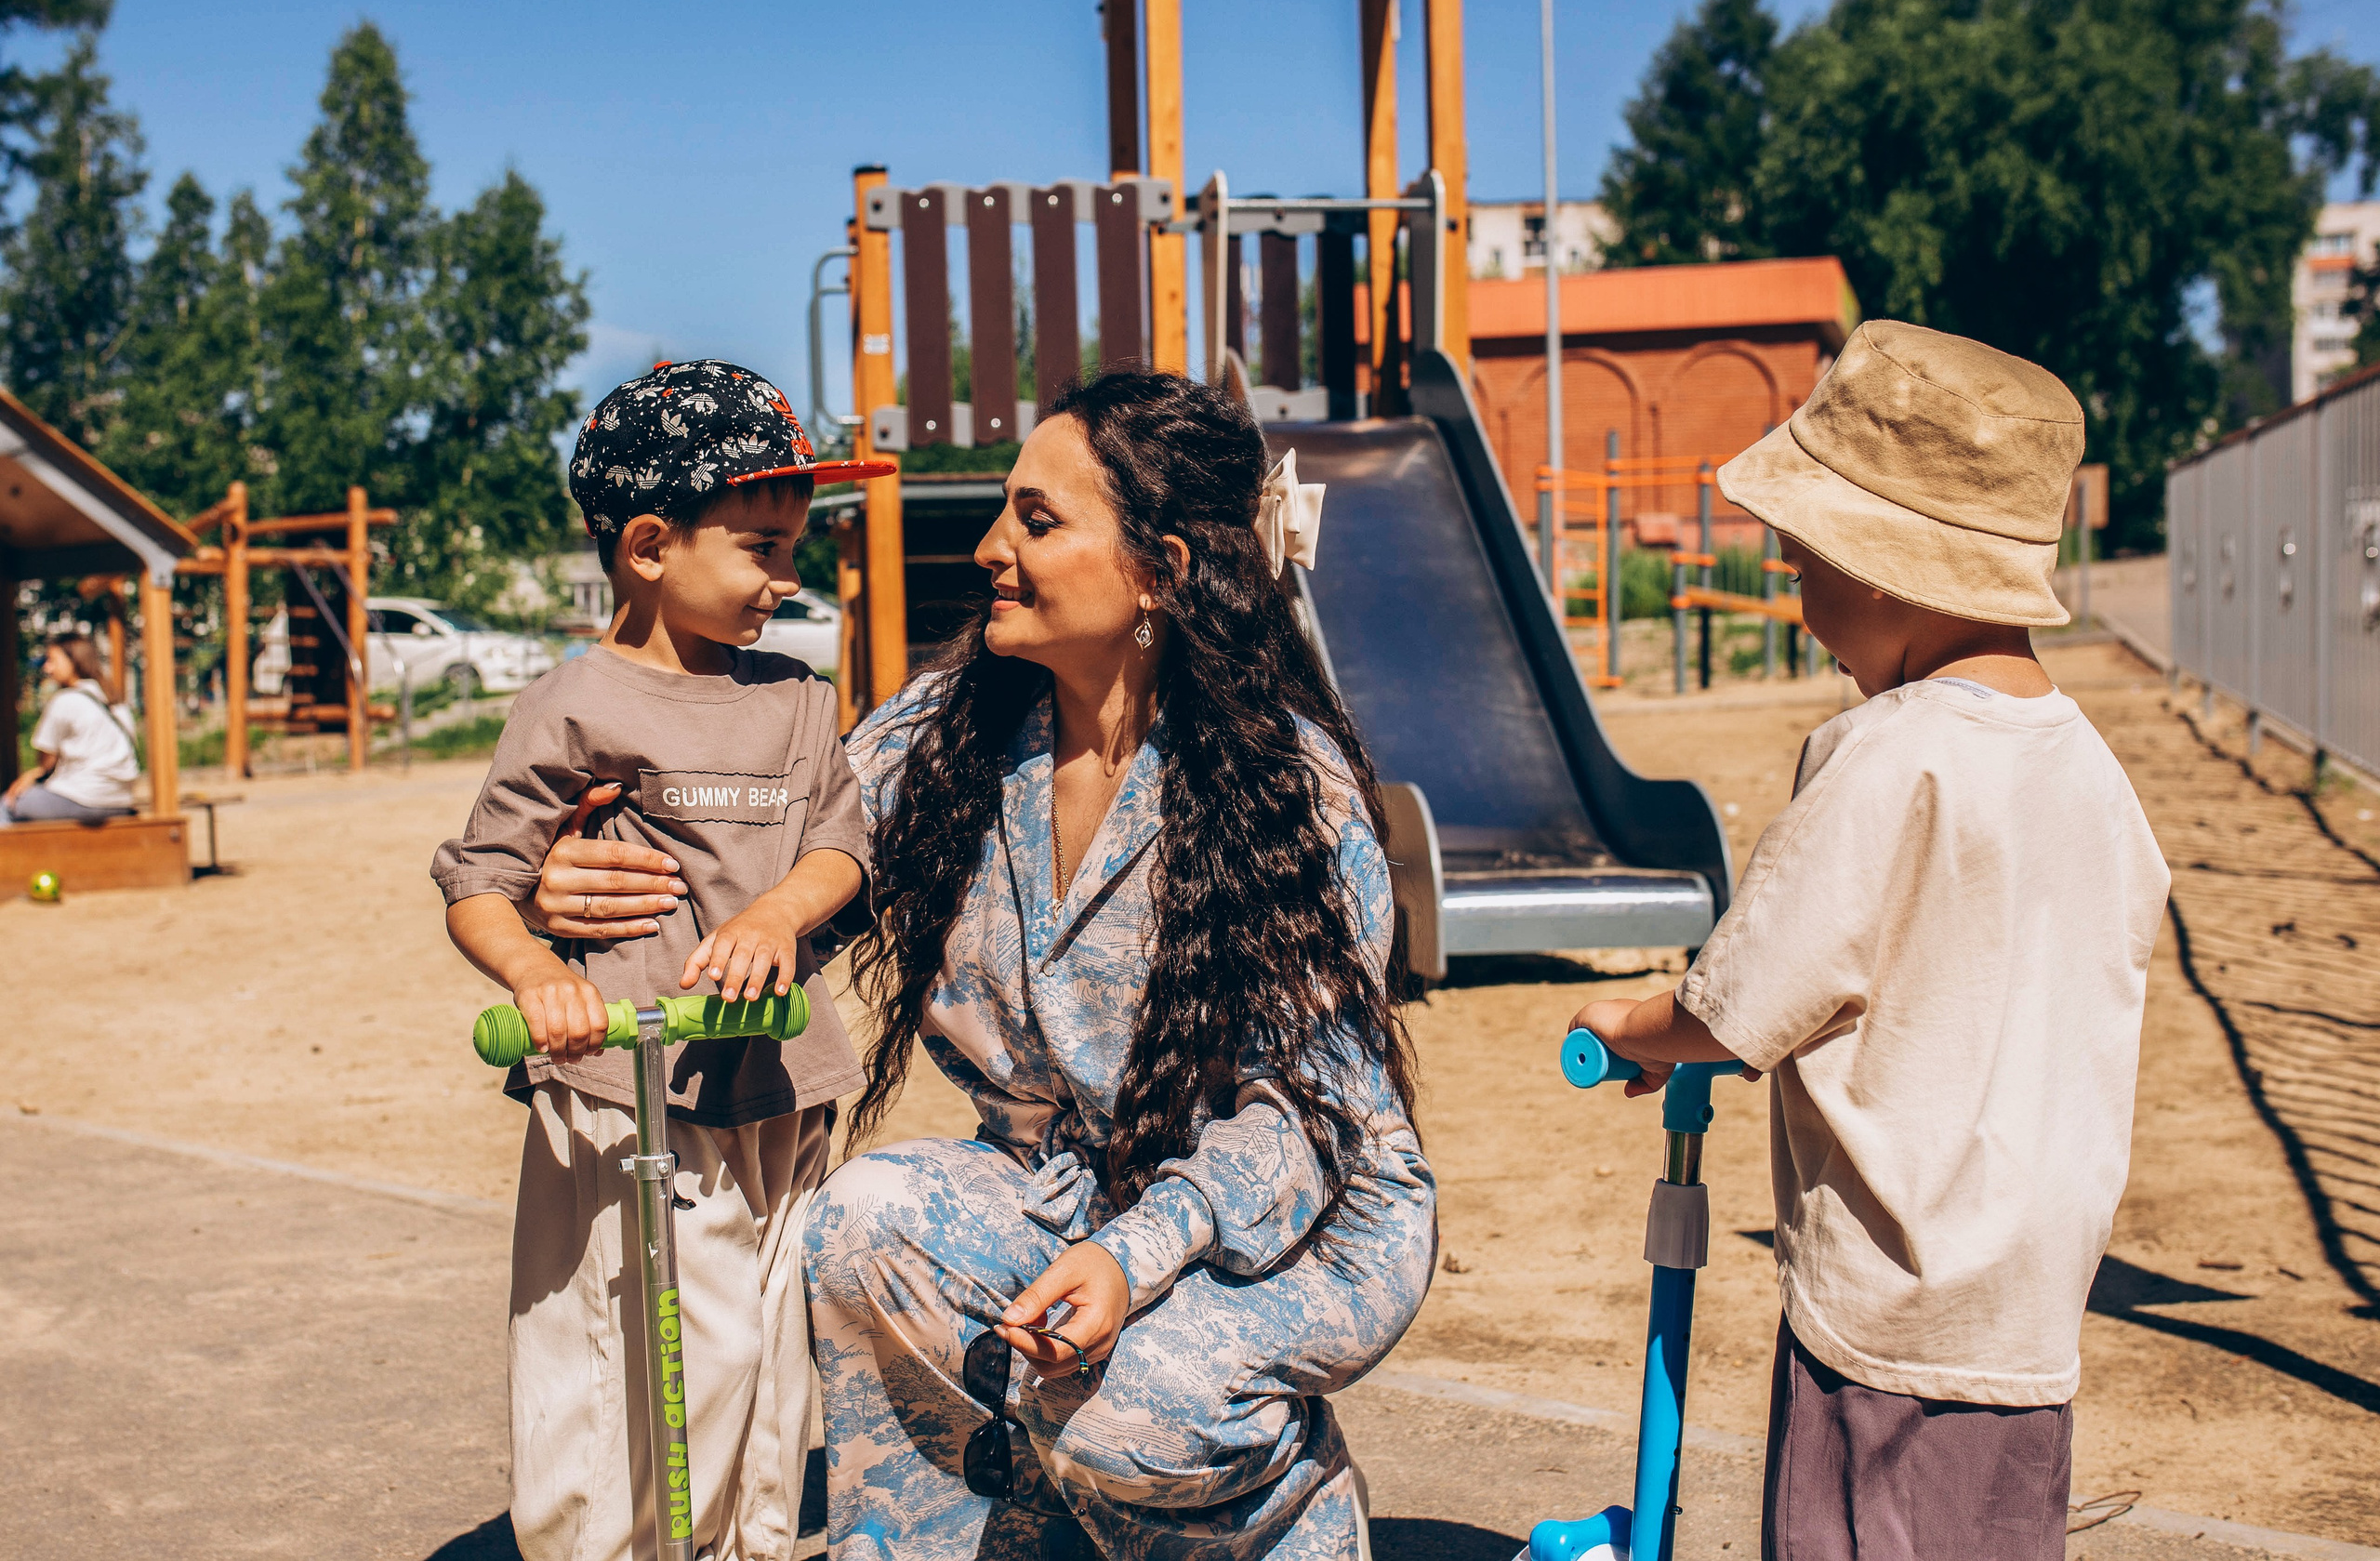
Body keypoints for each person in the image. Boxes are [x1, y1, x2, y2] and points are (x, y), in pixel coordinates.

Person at [528, 370, 1436, 1560]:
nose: (990, 545)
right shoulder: (954, 729)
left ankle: (1288, 1525)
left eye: (1038, 520)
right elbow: (788, 870)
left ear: (1159, 567)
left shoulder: (1287, 792)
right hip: (1057, 1184)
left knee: (1131, 1417)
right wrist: (579, 875)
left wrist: (1131, 1251)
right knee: (859, 1224)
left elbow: (1301, 1121)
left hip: (1288, 1214)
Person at [1574, 322, 2170, 1561]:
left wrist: (1631, 1023)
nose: (1800, 604)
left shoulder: (1889, 756)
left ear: (1886, 566)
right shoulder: (2093, 775)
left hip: (1889, 1320)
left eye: (1804, 566)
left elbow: (1745, 1000)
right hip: (2025, 1322)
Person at [430, 359, 892, 1561]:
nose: (785, 578)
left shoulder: (796, 699)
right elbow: (480, 876)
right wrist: (539, 976)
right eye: (759, 546)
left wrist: (777, 915)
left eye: (794, 545)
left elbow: (842, 844)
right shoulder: (570, 705)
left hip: (774, 1087)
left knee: (762, 1344)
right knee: (618, 1351)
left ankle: (748, 1537)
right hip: (625, 1091)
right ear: (648, 543)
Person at [2, 635, 139, 825]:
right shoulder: (116, 703)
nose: (47, 668)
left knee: (8, 805)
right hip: (121, 800)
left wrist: (30, 777)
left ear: (74, 661)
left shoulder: (65, 701)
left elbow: (46, 763)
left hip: (81, 798)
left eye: (52, 660)